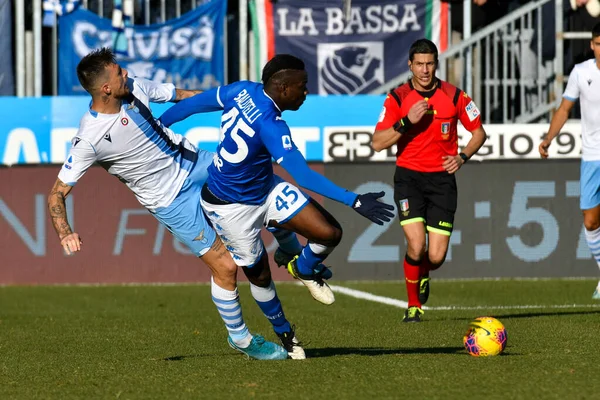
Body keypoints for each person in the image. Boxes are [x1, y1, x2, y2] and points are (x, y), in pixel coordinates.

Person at [47, 47, 290, 361]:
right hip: (170, 200)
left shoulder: (134, 87)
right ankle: (241, 339)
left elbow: (181, 95)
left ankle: (287, 243)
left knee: (256, 180)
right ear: (105, 88)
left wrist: (228, 99)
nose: (126, 74)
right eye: (119, 73)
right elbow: (56, 194)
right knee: (227, 267)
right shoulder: (89, 138)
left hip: (197, 163)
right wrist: (65, 232)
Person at [158, 54, 394, 330]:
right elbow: (304, 175)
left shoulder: (241, 89)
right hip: (230, 206)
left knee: (330, 232)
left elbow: (193, 104)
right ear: (283, 88)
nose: (306, 92)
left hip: (265, 187)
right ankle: (285, 333)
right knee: (259, 277)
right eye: (302, 85)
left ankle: (302, 268)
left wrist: (159, 126)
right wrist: (353, 200)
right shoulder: (272, 125)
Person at [371, 39, 487, 322]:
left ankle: (423, 272)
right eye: (419, 64)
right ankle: (413, 306)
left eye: (430, 64)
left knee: (435, 257)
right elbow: (377, 143)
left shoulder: (455, 95)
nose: (425, 70)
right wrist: (406, 122)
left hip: (442, 181)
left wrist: (462, 157)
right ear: (410, 65)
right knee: (416, 244)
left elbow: (479, 133)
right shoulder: (397, 98)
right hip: (409, 178)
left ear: (437, 64)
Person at [539, 23, 600, 299]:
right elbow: (565, 108)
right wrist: (548, 138)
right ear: (592, 45)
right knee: (590, 222)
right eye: (599, 44)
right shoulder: (581, 72)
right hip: (591, 157)